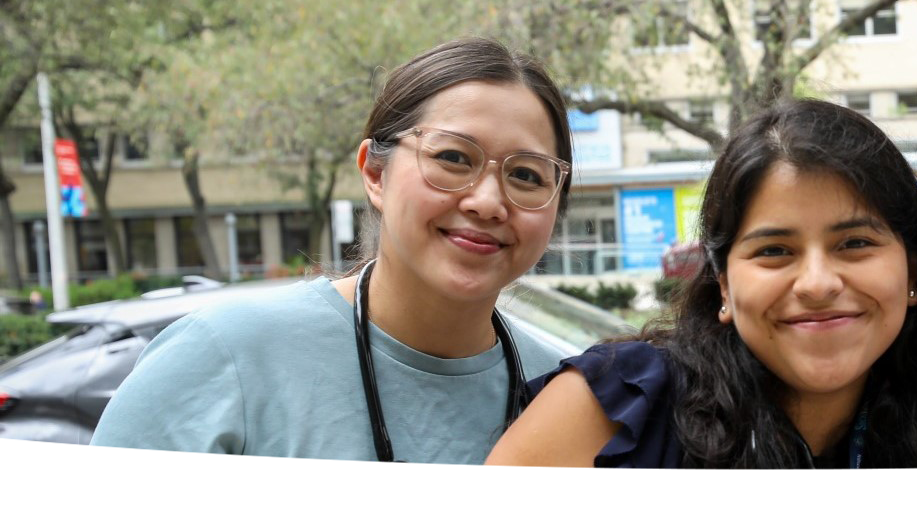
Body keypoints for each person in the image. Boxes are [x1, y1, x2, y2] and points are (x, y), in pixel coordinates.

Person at [86, 38, 574, 467]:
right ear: (375, 174)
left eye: (527, 175)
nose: (487, 202)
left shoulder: (571, 396)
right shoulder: (226, 355)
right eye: (451, 158)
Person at [484, 99, 917, 469]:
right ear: (723, 286)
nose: (817, 283)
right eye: (774, 251)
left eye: (854, 244)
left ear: (912, 272)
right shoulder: (617, 408)